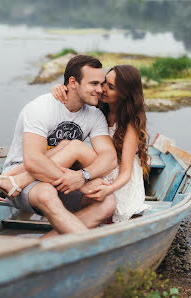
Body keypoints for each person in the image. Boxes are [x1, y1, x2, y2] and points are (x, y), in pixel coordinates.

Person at [0, 55, 118, 238]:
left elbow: (110, 158)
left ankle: (39, 249)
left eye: (102, 83)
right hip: (25, 173)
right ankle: (96, 249)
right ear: (73, 82)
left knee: (107, 201)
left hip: (57, 176)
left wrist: (83, 176)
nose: (100, 90)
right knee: (46, 192)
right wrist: (80, 184)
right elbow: (34, 161)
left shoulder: (94, 115)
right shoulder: (41, 108)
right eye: (94, 84)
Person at [51, 64, 150, 223]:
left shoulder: (130, 122)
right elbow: (78, 96)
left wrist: (109, 189)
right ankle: (30, 180)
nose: (102, 89)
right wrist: (59, 88)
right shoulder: (100, 107)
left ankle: (27, 181)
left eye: (110, 87)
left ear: (124, 94)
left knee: (74, 147)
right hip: (101, 164)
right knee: (63, 145)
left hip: (118, 178)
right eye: (103, 82)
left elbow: (126, 171)